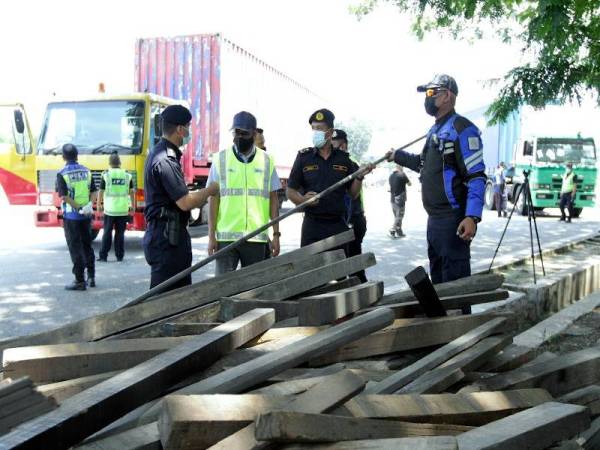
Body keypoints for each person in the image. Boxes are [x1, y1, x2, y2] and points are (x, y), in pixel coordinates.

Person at [387, 74, 486, 289]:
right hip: (434, 221)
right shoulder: (436, 129)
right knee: (439, 285)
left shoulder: (462, 129)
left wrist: (472, 217)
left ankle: (460, 323)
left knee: (455, 290)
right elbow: (423, 165)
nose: (428, 98)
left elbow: (476, 176)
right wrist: (397, 156)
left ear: (447, 96)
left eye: (432, 93)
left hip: (453, 221)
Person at [143, 104, 218, 292]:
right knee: (165, 299)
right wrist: (210, 190)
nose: (189, 131)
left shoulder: (161, 154)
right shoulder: (165, 159)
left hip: (169, 235)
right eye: (188, 126)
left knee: (177, 295)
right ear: (179, 129)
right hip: (166, 239)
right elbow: (185, 202)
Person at [207, 111, 281, 274]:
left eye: (244, 133)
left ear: (254, 134)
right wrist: (211, 236)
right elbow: (213, 200)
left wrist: (276, 234)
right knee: (222, 289)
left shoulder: (267, 161)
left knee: (255, 290)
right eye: (236, 132)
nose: (239, 137)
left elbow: (273, 200)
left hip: (256, 237)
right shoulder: (220, 159)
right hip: (226, 239)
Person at [287, 109, 367, 249]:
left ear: (330, 132)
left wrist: (359, 177)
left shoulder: (343, 159)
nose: (315, 133)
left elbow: (353, 194)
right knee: (310, 269)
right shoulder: (303, 158)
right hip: (312, 225)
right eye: (313, 129)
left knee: (339, 269)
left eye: (319, 128)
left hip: (337, 225)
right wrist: (302, 200)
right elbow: (290, 190)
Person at [55, 143, 97, 291]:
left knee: (75, 247)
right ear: (77, 155)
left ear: (63, 157)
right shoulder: (87, 171)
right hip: (86, 216)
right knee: (87, 245)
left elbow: (64, 196)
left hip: (72, 217)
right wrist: (88, 205)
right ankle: (91, 276)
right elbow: (93, 191)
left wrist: (78, 208)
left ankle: (79, 280)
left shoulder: (62, 174)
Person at [332, 129, 368, 282]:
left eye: (334, 146)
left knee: (354, 268)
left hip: (352, 220)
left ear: (344, 146)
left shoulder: (351, 165)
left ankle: (362, 297)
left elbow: (353, 195)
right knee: (340, 270)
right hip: (343, 221)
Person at [97, 152, 134, 262]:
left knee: (107, 233)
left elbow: (100, 191)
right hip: (122, 210)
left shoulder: (106, 175)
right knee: (120, 234)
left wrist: (99, 205)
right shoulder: (127, 175)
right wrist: (132, 205)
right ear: (119, 163)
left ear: (109, 163)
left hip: (110, 210)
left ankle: (103, 256)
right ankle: (119, 256)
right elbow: (131, 192)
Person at [389, 165, 411, 238]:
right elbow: (409, 184)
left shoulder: (391, 176)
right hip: (400, 199)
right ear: (401, 167)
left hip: (392, 199)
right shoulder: (402, 174)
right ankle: (392, 229)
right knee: (399, 216)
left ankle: (399, 232)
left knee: (396, 216)